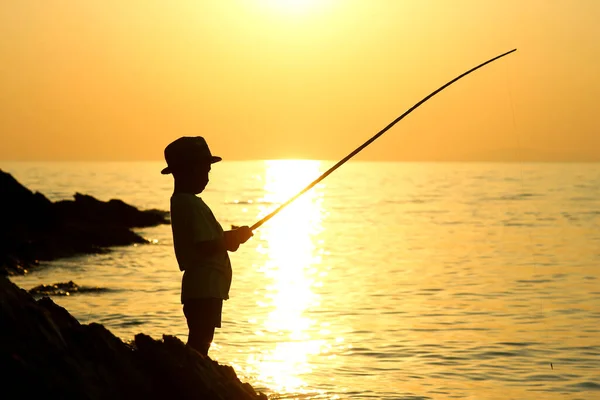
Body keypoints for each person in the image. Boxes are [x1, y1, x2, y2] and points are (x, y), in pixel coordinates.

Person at [161, 136, 253, 356]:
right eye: (204, 170)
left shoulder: (186, 202)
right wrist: (231, 240)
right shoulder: (188, 203)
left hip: (207, 287)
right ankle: (192, 375)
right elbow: (204, 246)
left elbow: (213, 240)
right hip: (204, 287)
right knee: (200, 342)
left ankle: (196, 370)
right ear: (185, 171)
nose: (207, 177)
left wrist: (233, 238)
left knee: (203, 340)